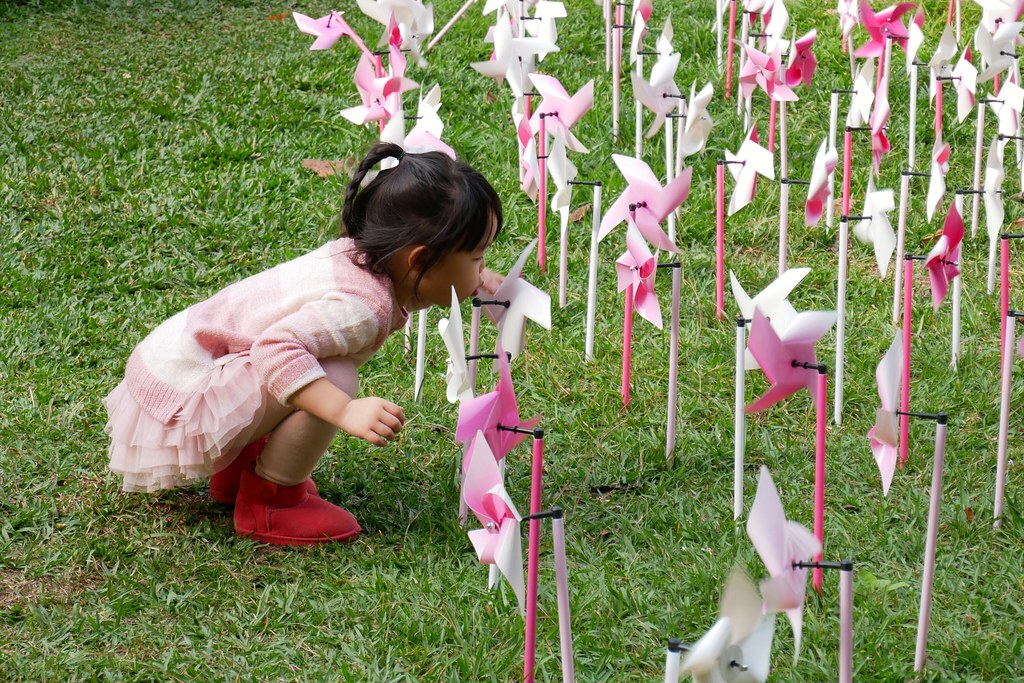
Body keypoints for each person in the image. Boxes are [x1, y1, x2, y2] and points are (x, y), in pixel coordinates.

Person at [103, 142, 504, 546]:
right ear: (418, 261)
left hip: (176, 367)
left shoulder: (363, 258)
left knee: (319, 367)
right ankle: (271, 501)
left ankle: (240, 467)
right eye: (477, 256)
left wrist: (474, 279)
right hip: (183, 402)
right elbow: (274, 349)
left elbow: (426, 283)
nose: (482, 265)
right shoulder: (363, 307)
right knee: (336, 376)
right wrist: (344, 409)